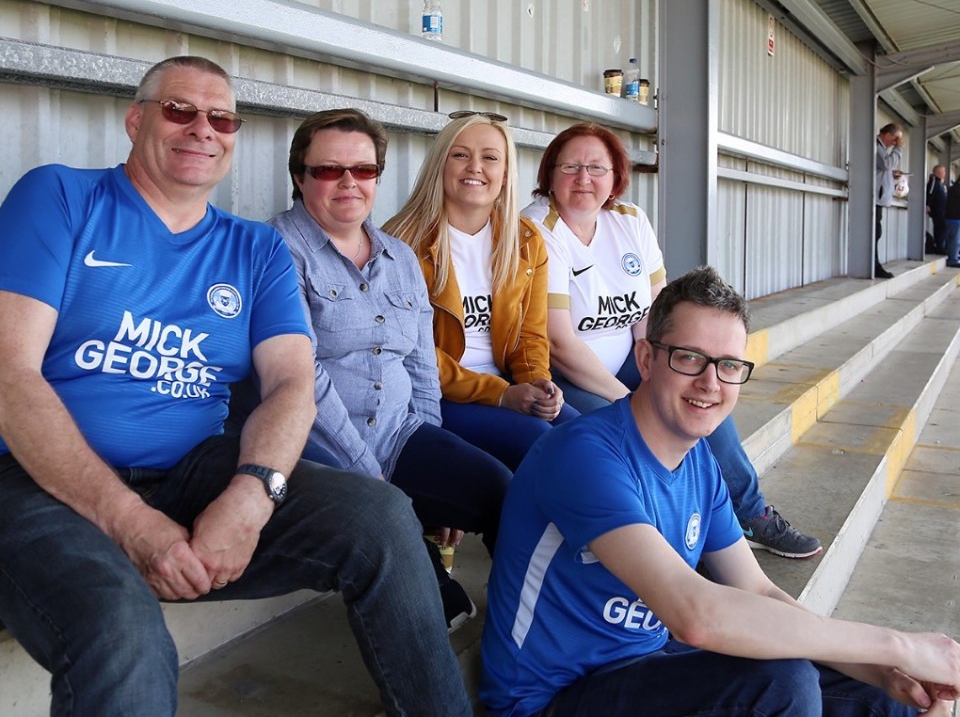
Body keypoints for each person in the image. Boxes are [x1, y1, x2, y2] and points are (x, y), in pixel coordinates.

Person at [0, 56, 471, 717]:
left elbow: (292, 384)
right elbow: (9, 372)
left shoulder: (255, 248)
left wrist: (253, 494)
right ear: (135, 121)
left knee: (383, 519)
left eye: (222, 119)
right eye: (179, 110)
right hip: (36, 479)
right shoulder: (61, 197)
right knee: (123, 628)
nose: (203, 129)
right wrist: (131, 521)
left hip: (193, 469)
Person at [480, 265, 960, 717]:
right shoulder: (584, 456)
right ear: (646, 359)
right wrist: (898, 645)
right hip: (553, 698)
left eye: (729, 365)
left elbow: (757, 589)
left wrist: (882, 669)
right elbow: (695, 615)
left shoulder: (699, 464)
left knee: (883, 700)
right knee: (784, 686)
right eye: (689, 358)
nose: (710, 382)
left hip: (649, 665)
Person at [254, 107, 514, 630]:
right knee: (430, 601)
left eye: (364, 169)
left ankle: (523, 622)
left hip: (399, 432)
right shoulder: (274, 249)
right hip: (317, 446)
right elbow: (303, 377)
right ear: (300, 177)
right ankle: (422, 582)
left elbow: (421, 366)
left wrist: (433, 443)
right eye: (329, 170)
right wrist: (372, 476)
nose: (348, 182)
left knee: (502, 491)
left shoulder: (399, 257)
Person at [522, 122, 820, 558]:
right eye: (570, 167)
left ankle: (751, 513)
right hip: (569, 374)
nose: (583, 178)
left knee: (701, 388)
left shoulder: (629, 220)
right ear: (550, 174)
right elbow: (561, 343)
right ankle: (669, 539)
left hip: (632, 354)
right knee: (636, 428)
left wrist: (662, 368)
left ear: (615, 177)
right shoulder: (537, 227)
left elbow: (657, 313)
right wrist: (631, 397)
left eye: (596, 168)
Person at [384, 112, 579, 471]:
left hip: (508, 385)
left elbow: (529, 335)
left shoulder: (524, 239)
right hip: (440, 394)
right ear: (440, 165)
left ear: (505, 174)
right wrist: (501, 394)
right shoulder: (401, 241)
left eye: (490, 157)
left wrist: (539, 383)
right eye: (460, 155)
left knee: (589, 438)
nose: (475, 167)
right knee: (539, 443)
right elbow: (413, 354)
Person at [875, 123, 904, 279]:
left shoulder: (882, 149)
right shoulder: (876, 146)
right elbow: (886, 164)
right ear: (887, 135)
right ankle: (874, 266)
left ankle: (874, 265)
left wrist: (891, 175)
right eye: (895, 139)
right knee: (874, 233)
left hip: (878, 199)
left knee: (876, 233)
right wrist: (898, 149)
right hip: (873, 199)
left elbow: (883, 168)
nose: (895, 143)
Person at [926, 165, 948, 255]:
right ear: (938, 172)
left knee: (942, 229)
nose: (945, 173)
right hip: (937, 210)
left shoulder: (940, 183)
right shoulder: (934, 181)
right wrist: (928, 204)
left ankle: (941, 247)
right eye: (943, 171)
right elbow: (930, 192)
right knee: (940, 228)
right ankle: (939, 247)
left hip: (942, 211)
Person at [945, 176, 960, 269]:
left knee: (951, 240)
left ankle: (952, 257)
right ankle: (953, 259)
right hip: (955, 218)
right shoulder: (957, 190)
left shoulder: (953, 189)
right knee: (955, 240)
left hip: (950, 218)